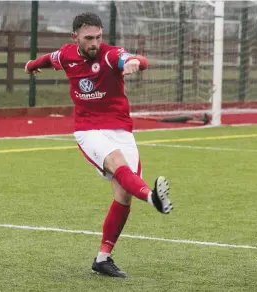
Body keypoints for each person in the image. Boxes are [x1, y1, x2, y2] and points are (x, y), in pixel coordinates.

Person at [25, 12, 173, 278]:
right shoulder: (67, 55)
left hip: (120, 129)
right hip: (88, 129)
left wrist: (135, 63)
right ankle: (153, 199)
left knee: (124, 193)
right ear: (75, 37)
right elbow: (49, 59)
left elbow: (136, 59)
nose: (95, 43)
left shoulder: (109, 54)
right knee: (118, 165)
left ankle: (103, 258)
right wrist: (31, 65)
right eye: (89, 38)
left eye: (98, 37)